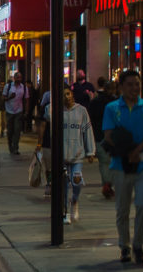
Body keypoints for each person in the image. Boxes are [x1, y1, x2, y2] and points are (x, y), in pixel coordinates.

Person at [102, 69, 143, 265]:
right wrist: (128, 152)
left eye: (137, 84)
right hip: (120, 165)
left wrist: (138, 151)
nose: (134, 88)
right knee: (122, 209)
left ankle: (138, 244)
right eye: (130, 84)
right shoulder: (112, 108)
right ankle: (124, 245)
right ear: (121, 87)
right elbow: (108, 134)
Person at [40, 85, 95, 224]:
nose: (67, 97)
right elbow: (47, 115)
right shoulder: (56, 110)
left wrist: (90, 151)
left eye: (68, 94)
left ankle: (74, 201)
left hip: (77, 153)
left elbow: (87, 131)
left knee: (76, 181)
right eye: (63, 95)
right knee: (63, 185)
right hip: (61, 154)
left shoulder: (81, 111)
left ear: (72, 95)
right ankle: (65, 212)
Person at [87, 80, 119, 199]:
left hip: (99, 135)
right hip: (114, 136)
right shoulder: (117, 102)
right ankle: (110, 184)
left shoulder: (96, 102)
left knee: (104, 162)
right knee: (114, 161)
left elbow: (91, 119)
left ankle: (106, 183)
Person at [2, 71, 30, 155]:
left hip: (19, 111)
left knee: (17, 130)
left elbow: (26, 100)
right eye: (17, 77)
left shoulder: (24, 88)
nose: (19, 79)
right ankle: (10, 145)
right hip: (9, 111)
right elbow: (3, 98)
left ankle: (15, 148)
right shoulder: (8, 86)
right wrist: (10, 97)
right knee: (10, 130)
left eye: (20, 78)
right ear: (14, 78)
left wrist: (26, 111)